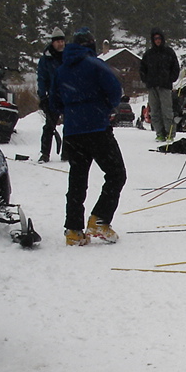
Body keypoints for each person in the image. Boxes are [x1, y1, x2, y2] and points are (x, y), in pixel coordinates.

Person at [51, 28, 128, 246]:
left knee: (77, 179)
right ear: (91, 46)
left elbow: (54, 102)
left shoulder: (62, 69)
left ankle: (73, 230)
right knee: (116, 174)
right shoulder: (96, 65)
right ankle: (99, 220)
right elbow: (115, 92)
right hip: (96, 127)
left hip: (73, 131)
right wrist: (104, 108)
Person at [139, 28, 181, 142]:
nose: (157, 40)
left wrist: (170, 79)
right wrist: (146, 80)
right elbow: (142, 69)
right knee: (155, 111)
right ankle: (159, 133)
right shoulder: (148, 54)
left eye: (159, 38)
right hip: (152, 86)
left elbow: (175, 67)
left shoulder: (169, 52)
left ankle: (170, 133)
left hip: (165, 86)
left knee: (167, 111)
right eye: (155, 38)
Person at [36, 31, 65, 163]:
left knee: (70, 126)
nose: (61, 44)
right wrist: (43, 97)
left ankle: (67, 154)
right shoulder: (45, 59)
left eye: (62, 41)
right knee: (49, 126)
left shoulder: (68, 56)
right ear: (53, 42)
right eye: (58, 41)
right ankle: (45, 153)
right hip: (52, 97)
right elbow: (42, 79)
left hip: (68, 96)